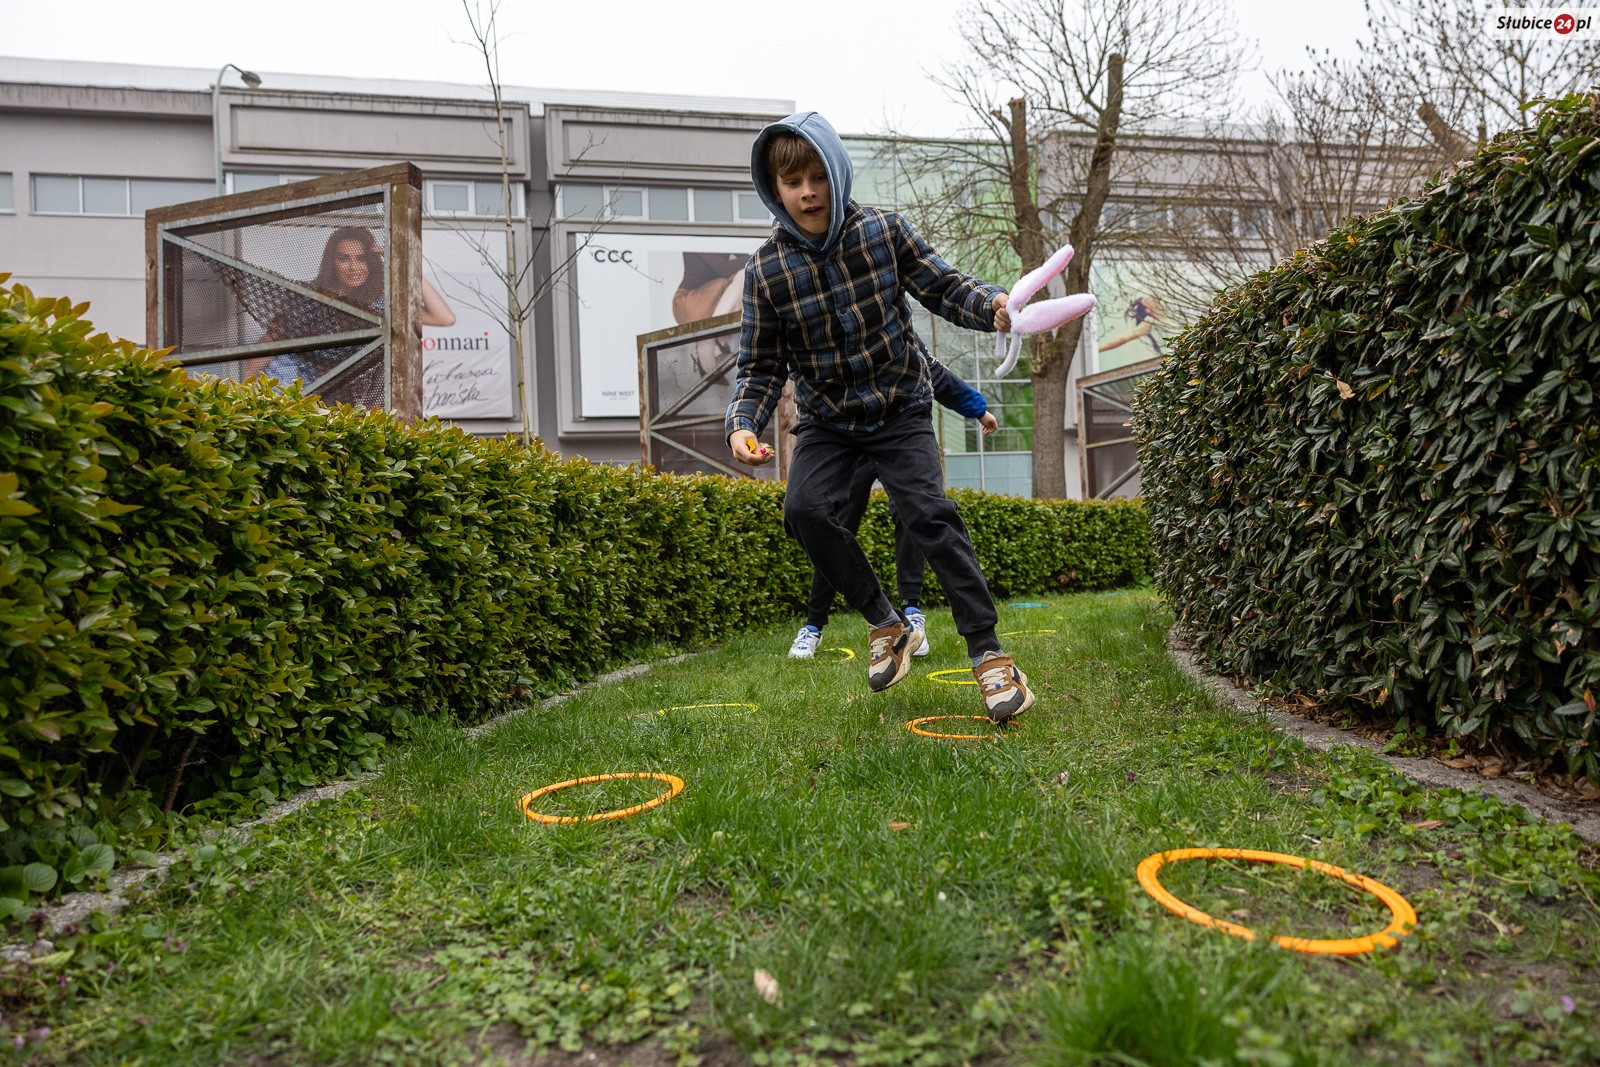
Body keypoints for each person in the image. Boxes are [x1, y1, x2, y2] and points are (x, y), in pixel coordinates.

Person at [726, 111, 1034, 723]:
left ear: (837, 174)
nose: (808, 192)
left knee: (928, 516)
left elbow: (943, 286)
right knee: (804, 511)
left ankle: (989, 654)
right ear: (775, 190)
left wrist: (993, 306)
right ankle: (887, 625)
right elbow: (759, 364)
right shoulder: (766, 271)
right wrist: (743, 423)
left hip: (900, 408)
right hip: (827, 422)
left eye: (818, 176)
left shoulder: (883, 232)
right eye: (793, 183)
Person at [789, 360, 998, 660]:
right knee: (830, 524)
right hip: (847, 437)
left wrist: (977, 409)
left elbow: (933, 371)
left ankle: (911, 612)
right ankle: (813, 625)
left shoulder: (897, 339)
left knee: (914, 514)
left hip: (895, 432)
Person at [250, 226, 455, 384]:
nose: (354, 267)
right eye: (344, 259)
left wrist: (402, 260)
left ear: (372, 261)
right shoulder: (308, 295)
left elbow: (444, 318)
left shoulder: (381, 302)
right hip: (288, 382)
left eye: (362, 258)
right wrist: (240, 392)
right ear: (332, 262)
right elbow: (270, 343)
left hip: (336, 392)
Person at [1098, 294, 1163, 357]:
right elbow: (1122, 339)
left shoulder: (1157, 306)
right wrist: (1098, 349)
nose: (1151, 300)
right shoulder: (1148, 322)